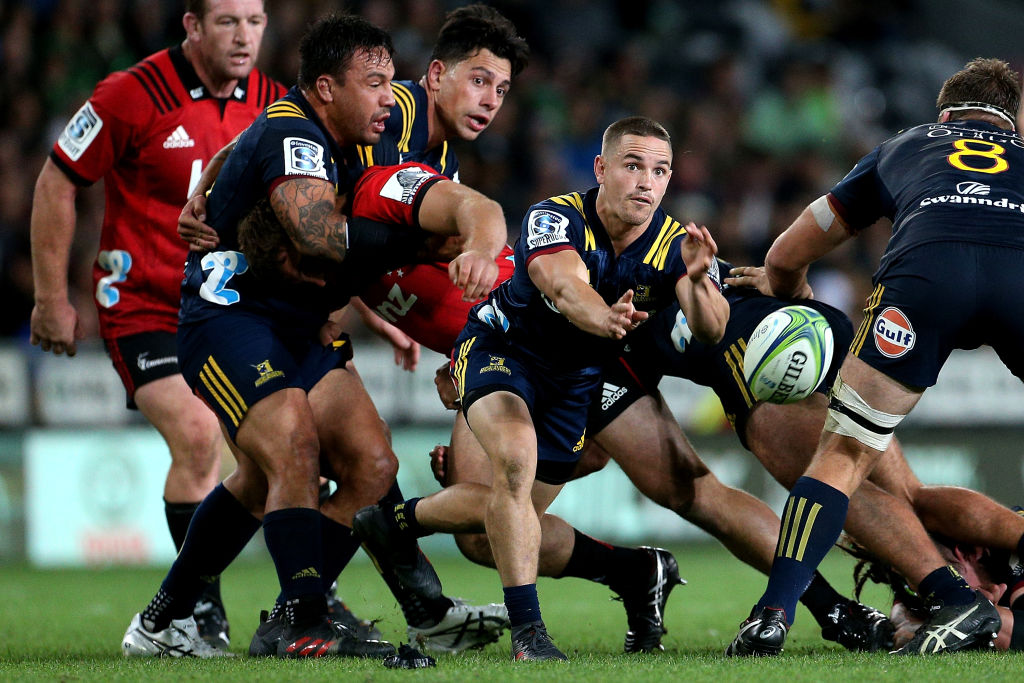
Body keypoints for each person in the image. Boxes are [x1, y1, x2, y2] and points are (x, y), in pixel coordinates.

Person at [123, 13, 503, 660]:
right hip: (231, 317)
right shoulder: (301, 127)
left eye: (392, 83)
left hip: (302, 324)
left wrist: (215, 174)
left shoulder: (384, 131)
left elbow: (266, 158)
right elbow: (318, 236)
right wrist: (417, 240)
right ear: (327, 88)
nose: (389, 96)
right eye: (375, 83)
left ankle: (167, 617)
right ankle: (300, 621)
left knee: (367, 466)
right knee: (291, 443)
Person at [353, 116, 730, 662]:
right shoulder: (555, 217)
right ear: (601, 169)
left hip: (572, 387)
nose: (646, 182)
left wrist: (697, 281)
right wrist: (604, 320)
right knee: (514, 457)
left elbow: (713, 328)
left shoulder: (677, 244)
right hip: (504, 351)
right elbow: (563, 282)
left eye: (660, 170)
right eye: (632, 166)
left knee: (505, 521)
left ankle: (392, 522)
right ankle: (530, 635)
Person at [726, 57, 1024, 656]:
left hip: (924, 279)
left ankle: (772, 614)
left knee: (843, 454)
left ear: (944, 115)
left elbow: (787, 253)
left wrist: (790, 295)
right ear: (1013, 123)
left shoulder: (905, 146)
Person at [29, 0, 284, 650]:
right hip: (143, 304)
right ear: (192, 26)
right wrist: (49, 296)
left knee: (265, 453)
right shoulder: (129, 94)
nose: (244, 36)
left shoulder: (273, 102)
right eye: (227, 21)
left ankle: (298, 605)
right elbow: (58, 180)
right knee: (199, 438)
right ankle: (197, 614)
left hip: (225, 306)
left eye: (254, 21)